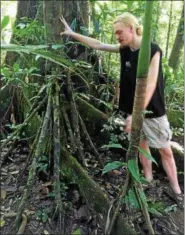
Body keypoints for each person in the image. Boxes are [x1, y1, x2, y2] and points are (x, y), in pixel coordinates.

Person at [60, 12, 183, 206]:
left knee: (165, 151)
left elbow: (150, 85)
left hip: (151, 111)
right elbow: (98, 44)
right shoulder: (125, 49)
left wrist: (137, 114)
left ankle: (176, 189)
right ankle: (148, 179)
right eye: (115, 33)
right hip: (131, 112)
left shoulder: (152, 50)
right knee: (141, 145)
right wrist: (72, 34)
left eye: (119, 32)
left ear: (131, 28)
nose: (117, 36)